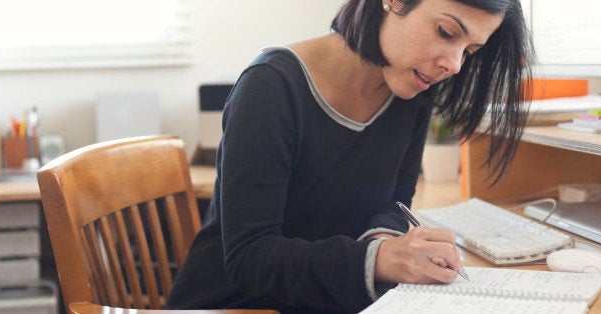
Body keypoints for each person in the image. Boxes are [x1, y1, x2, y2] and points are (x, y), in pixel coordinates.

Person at [165, 0, 533, 313]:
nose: (454, 65)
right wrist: (380, 260)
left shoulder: (411, 89)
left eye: (469, 51)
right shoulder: (270, 87)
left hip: (322, 298)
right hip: (237, 304)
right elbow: (250, 259)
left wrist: (387, 245)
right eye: (446, 33)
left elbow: (395, 202)